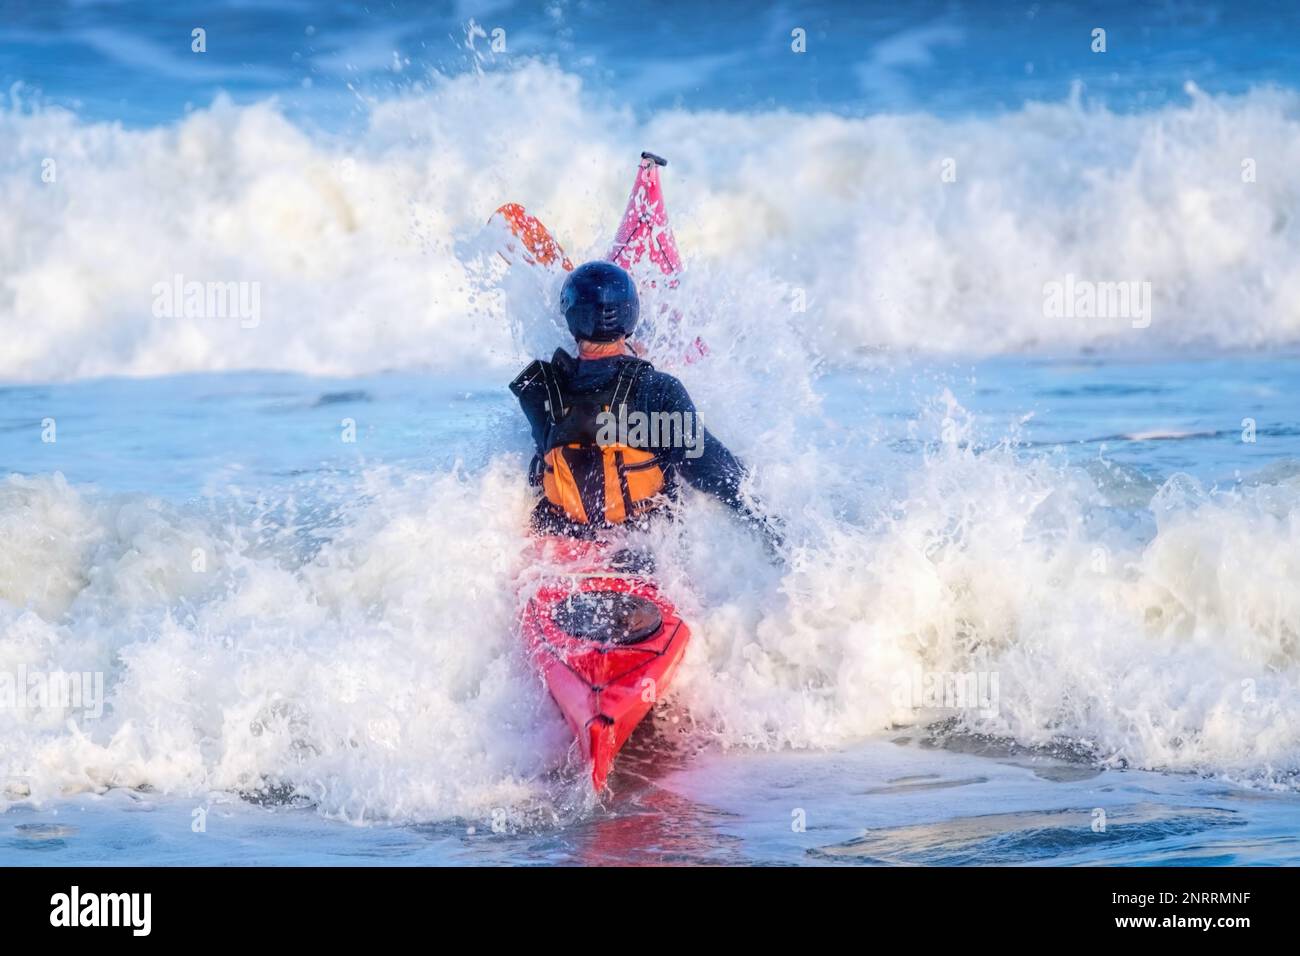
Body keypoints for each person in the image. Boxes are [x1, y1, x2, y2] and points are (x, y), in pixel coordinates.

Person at [510, 261, 782, 554]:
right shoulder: (657, 389)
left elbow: (586, 401)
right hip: (639, 551)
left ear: (572, 319)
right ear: (631, 315)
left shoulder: (540, 391)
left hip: (562, 550)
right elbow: (713, 470)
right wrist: (769, 525)